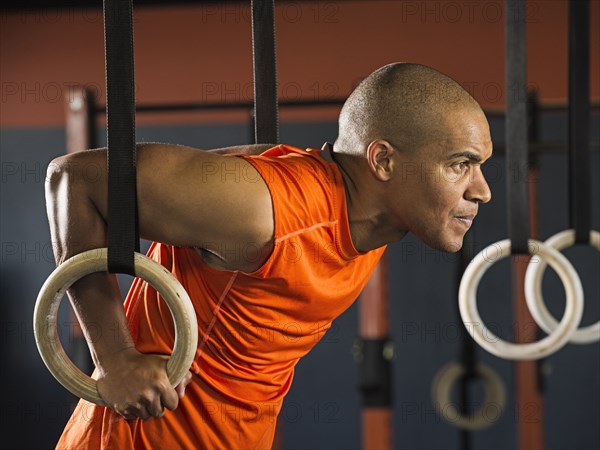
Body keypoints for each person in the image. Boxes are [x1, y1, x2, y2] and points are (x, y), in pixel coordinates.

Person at [49, 62, 492, 449]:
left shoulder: (376, 222)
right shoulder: (265, 211)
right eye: (460, 165)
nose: (482, 191)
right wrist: (115, 359)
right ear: (383, 161)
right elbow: (75, 179)